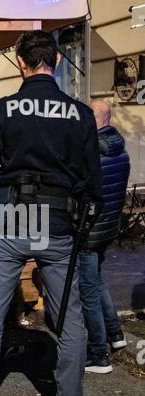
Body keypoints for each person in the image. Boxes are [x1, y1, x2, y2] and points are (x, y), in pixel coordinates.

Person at [0, 30, 102, 396]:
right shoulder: (80, 114)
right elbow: (93, 185)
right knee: (70, 319)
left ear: (21, 62)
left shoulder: (3, 109)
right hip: (59, 223)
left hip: (12, 219)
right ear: (54, 61)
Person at [79, 100, 130, 374]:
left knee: (88, 292)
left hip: (90, 231)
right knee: (98, 282)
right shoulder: (121, 151)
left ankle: (98, 356)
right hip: (108, 228)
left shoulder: (93, 155)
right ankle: (116, 334)